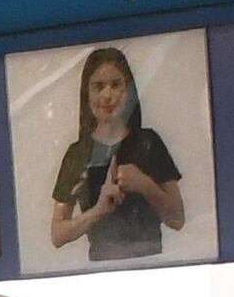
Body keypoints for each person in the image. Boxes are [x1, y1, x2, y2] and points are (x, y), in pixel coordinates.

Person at [46, 44, 188, 264]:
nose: (107, 95)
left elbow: (177, 218)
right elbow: (58, 234)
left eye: (116, 85)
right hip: (100, 272)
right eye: (98, 86)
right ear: (87, 92)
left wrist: (144, 184)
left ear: (128, 90)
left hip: (153, 267)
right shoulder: (78, 154)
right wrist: (98, 211)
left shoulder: (149, 143)